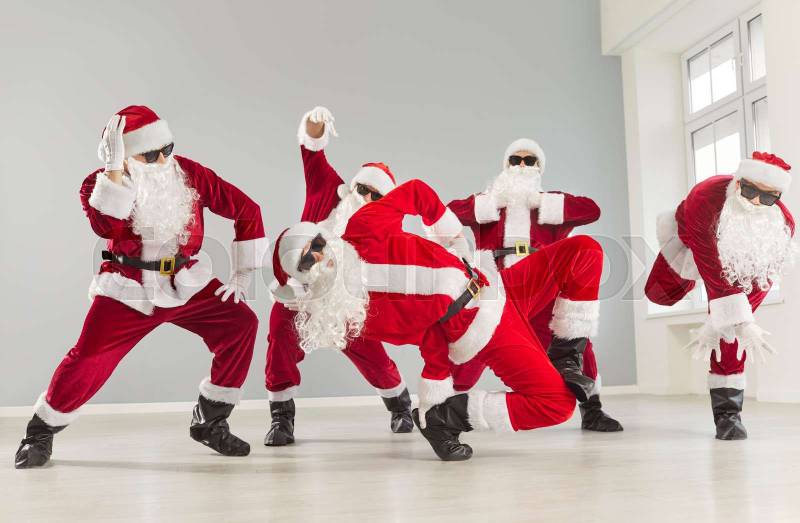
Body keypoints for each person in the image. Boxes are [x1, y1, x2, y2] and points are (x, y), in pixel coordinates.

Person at [271, 179, 604, 461]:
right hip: (485, 329)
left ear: (324, 236)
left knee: (585, 250)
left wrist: (452, 237)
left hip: (497, 284)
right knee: (557, 405)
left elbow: (416, 191)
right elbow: (430, 335)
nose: (319, 256)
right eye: (306, 262)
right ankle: (448, 417)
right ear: (305, 279)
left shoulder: (364, 225)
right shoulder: (360, 314)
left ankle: (566, 358)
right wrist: (436, 401)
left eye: (316, 244)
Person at [14, 106, 268, 468]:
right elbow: (107, 227)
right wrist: (113, 170)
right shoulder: (98, 185)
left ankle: (210, 421)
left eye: (167, 149)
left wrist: (242, 274)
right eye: (150, 154)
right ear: (124, 156)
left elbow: (247, 208)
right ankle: (39, 434)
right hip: (129, 287)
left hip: (184, 282)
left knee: (241, 323)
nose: (163, 160)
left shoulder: (190, 173)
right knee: (89, 358)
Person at [448, 138, 621, 431]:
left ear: (539, 168)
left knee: (575, 339)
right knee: (469, 349)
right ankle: (441, 404)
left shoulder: (549, 204)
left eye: (530, 160)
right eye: (515, 160)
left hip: (543, 291)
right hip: (498, 289)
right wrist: (492, 200)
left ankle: (592, 409)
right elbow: (448, 212)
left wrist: (543, 202)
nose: (522, 165)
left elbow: (591, 210)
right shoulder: (490, 204)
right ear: (505, 166)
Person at [264, 106, 411, 447]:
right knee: (279, 344)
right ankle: (281, 418)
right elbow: (312, 152)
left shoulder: (385, 227)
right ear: (352, 186)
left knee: (373, 358)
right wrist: (315, 125)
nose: (367, 198)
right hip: (300, 293)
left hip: (347, 300)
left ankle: (400, 406)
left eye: (376, 196)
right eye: (363, 189)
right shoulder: (327, 190)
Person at [645, 152, 795, 440]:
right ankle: (689, 286)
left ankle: (728, 415)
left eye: (767, 198)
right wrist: (723, 312)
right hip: (693, 243)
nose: (755, 202)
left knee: (732, 331)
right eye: (749, 191)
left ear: (777, 197)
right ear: (738, 182)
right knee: (659, 295)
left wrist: (740, 322)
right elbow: (710, 264)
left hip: (739, 263)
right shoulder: (705, 196)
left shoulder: (782, 225)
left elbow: (762, 281)